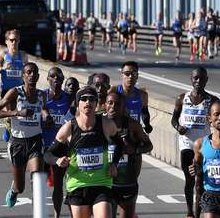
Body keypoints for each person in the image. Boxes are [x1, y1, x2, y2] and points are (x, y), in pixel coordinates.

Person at [43, 86, 121, 218]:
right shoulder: (69, 128)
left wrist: (113, 163)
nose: (88, 102)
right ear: (78, 104)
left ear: (96, 103)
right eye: (83, 99)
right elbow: (47, 154)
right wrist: (57, 161)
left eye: (91, 99)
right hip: (77, 185)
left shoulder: (106, 124)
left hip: (101, 183)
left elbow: (119, 144)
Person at [0, 62, 51, 208]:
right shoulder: (15, 92)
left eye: (34, 73)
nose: (31, 75)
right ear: (23, 75)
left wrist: (46, 116)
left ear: (38, 76)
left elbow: (43, 109)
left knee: (37, 178)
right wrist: (17, 113)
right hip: (17, 142)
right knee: (21, 187)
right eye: (28, 72)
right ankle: (14, 190)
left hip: (35, 141)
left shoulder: (41, 94)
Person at [171, 67, 216, 218]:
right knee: (190, 180)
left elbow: (219, 120)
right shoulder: (181, 98)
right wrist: (178, 127)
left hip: (203, 146)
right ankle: (190, 212)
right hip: (186, 144)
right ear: (191, 79)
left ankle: (198, 213)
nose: (198, 81)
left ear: (207, 80)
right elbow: (174, 119)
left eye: (202, 79)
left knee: (200, 182)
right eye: (196, 78)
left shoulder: (212, 101)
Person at [105, 91, 153, 218]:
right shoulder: (99, 123)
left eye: (117, 104)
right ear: (105, 105)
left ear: (123, 107)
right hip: (105, 182)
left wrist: (135, 150)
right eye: (110, 103)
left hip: (126, 182)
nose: (113, 107)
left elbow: (149, 146)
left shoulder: (132, 125)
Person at [43, 67, 73, 218]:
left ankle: (57, 215)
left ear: (62, 80)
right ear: (48, 79)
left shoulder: (68, 98)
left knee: (59, 184)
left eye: (59, 77)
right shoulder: (42, 96)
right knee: (37, 181)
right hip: (43, 144)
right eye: (52, 76)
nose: (56, 79)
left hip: (60, 146)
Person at [111, 61, 152, 134]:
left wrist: (147, 124)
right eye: (127, 74)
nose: (130, 76)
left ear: (137, 76)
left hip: (134, 133)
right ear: (122, 75)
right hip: (117, 134)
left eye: (133, 73)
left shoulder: (143, 95)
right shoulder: (113, 92)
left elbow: (144, 112)